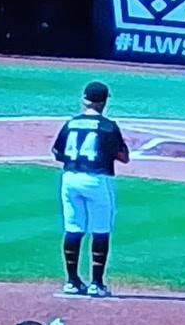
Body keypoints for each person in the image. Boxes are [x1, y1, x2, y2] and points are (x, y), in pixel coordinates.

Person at [53, 82, 132, 298]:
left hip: (70, 178)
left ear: (84, 100)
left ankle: (72, 281)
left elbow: (57, 153)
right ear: (104, 102)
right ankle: (96, 283)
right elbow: (124, 156)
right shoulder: (108, 126)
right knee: (100, 229)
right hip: (96, 179)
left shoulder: (71, 123)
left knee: (73, 227)